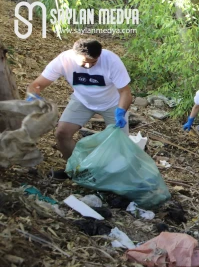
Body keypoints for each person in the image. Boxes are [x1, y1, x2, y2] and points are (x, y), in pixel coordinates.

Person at [26, 38, 132, 180]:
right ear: (74, 55)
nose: (88, 66)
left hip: (112, 103)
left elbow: (125, 92)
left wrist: (121, 111)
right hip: (82, 100)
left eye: (93, 63)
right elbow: (36, 85)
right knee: (62, 134)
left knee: (118, 143)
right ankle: (74, 169)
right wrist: (33, 98)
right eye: (84, 63)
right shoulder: (64, 60)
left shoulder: (111, 60)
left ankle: (112, 178)